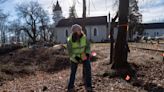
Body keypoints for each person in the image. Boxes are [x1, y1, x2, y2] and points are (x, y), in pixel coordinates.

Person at [67, 24, 92, 92]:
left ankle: (89, 86)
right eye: (77, 30)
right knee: (73, 72)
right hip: (74, 57)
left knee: (88, 70)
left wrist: (87, 53)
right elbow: (70, 52)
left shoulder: (84, 37)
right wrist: (76, 58)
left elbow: (88, 46)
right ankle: (70, 87)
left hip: (83, 55)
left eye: (79, 30)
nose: (79, 31)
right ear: (73, 31)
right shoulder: (69, 40)